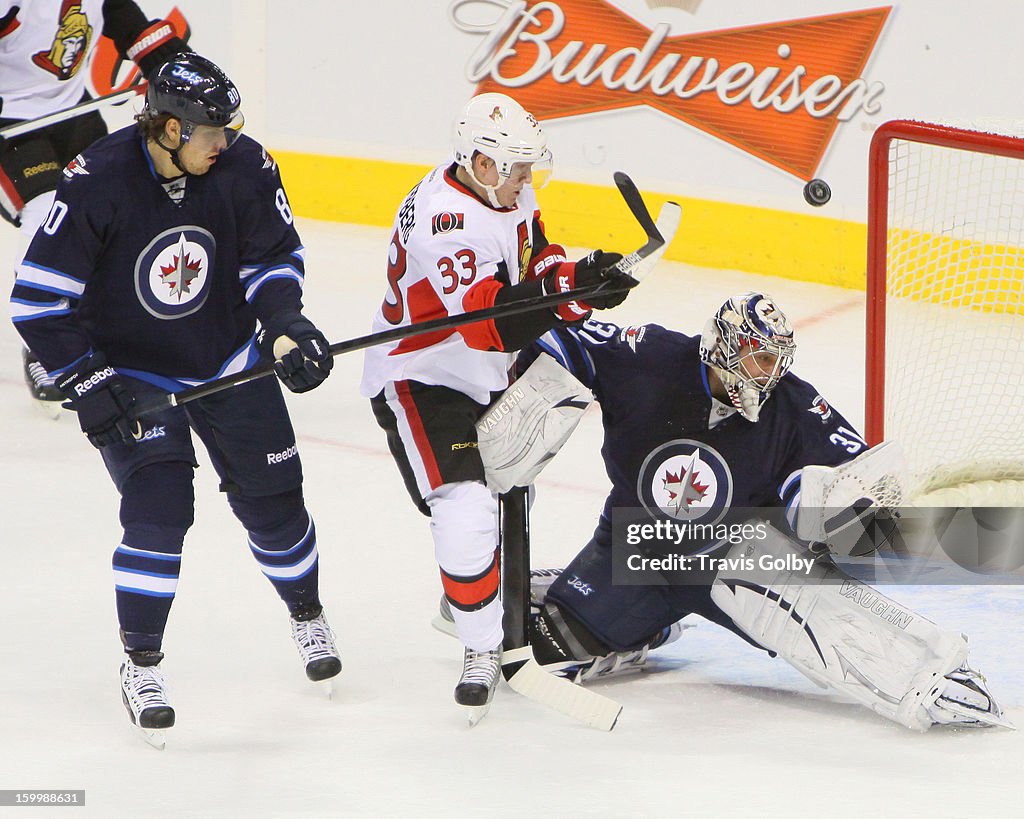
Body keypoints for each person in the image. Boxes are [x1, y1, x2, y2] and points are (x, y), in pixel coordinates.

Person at [9, 52, 340, 745]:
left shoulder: (245, 166)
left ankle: (305, 612)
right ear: (165, 128)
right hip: (135, 373)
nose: (226, 142)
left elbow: (271, 256)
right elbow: (40, 302)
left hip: (226, 354)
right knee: (159, 507)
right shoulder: (96, 181)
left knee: (275, 505)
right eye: (209, 131)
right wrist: (90, 381)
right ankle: (143, 664)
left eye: (228, 128)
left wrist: (286, 326)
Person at [508, 292, 1006, 730]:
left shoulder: (794, 407)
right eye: (757, 358)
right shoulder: (651, 357)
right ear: (722, 346)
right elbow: (560, 336)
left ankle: (925, 674)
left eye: (775, 360)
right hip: (633, 549)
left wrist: (848, 507)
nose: (767, 373)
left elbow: (846, 476)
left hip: (732, 561)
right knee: (548, 640)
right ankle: (640, 625)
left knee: (802, 596)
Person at [359, 91, 636, 719]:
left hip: (488, 368)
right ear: (479, 163)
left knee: (514, 489)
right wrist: (566, 297)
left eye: (528, 168)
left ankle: (486, 601)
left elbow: (535, 255)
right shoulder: (443, 222)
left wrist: (579, 273)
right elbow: (492, 324)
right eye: (515, 168)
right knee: (466, 509)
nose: (526, 179)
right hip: (424, 373)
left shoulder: (507, 189)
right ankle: (482, 647)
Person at [1, 0, 190, 409]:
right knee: (47, 211)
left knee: (114, 207)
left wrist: (180, 73)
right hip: (10, 127)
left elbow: (135, 33)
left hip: (74, 113)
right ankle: (44, 346)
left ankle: (114, 325)